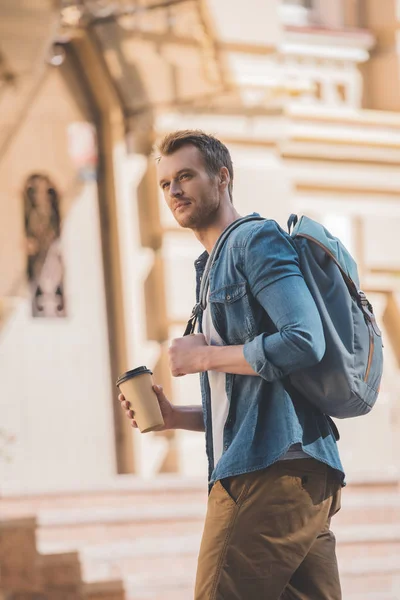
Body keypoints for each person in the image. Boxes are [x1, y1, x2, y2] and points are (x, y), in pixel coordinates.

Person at [118, 130, 344, 600]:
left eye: (186, 176)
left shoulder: (252, 241)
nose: (174, 191)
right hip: (296, 474)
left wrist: (202, 356)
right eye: (164, 184)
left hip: (270, 474)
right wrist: (177, 417)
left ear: (222, 178)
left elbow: (305, 341)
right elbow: (256, 404)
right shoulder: (212, 265)